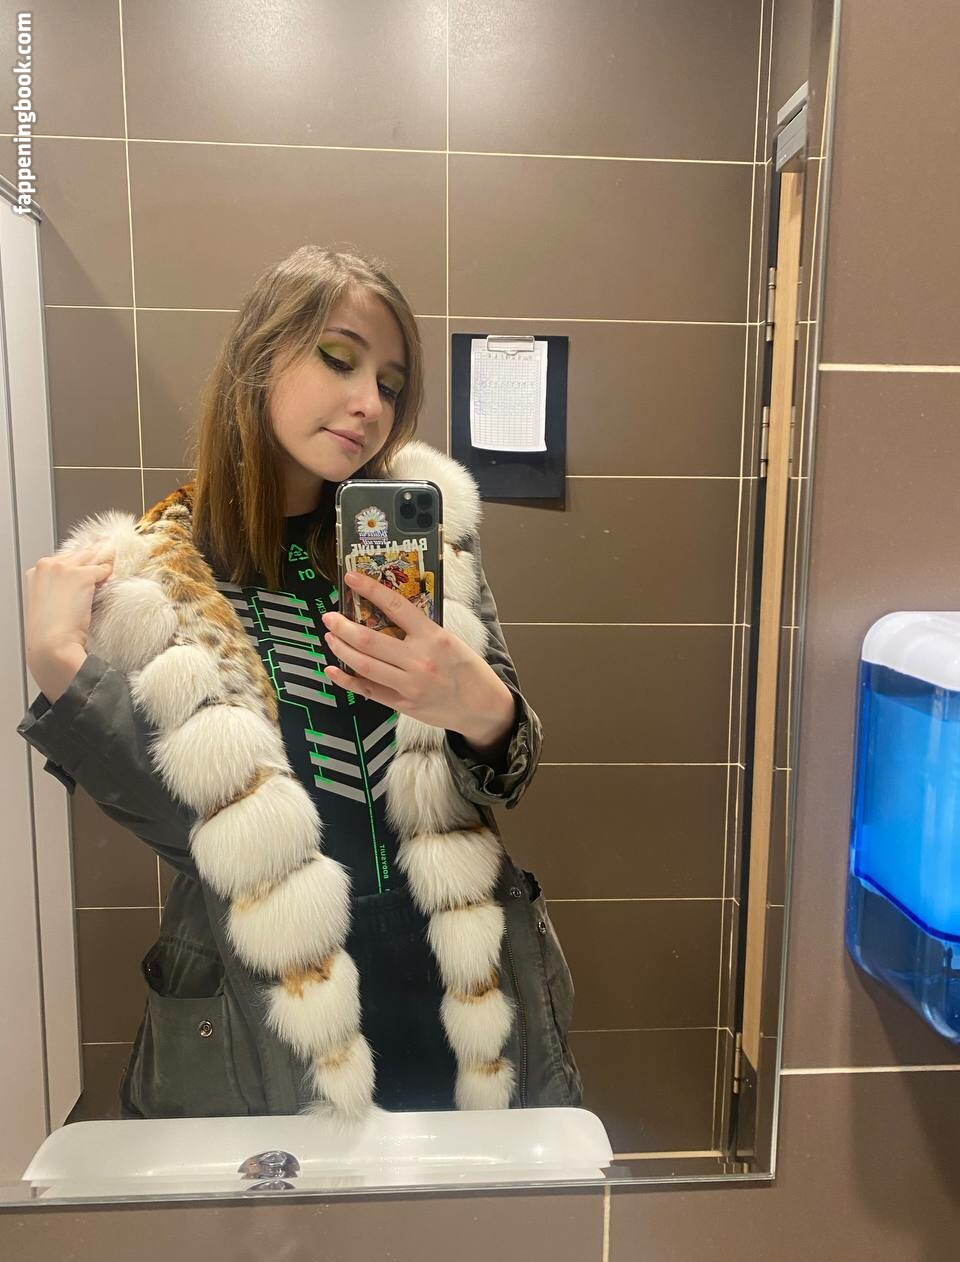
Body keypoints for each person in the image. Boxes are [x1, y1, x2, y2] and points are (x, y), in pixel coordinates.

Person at [17, 245, 582, 1121]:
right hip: (271, 997)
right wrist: (64, 671)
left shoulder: (422, 541)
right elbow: (191, 838)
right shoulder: (157, 581)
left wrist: (485, 711)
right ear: (260, 354)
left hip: (453, 973)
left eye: (390, 384)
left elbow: (507, 777)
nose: (370, 404)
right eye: (339, 358)